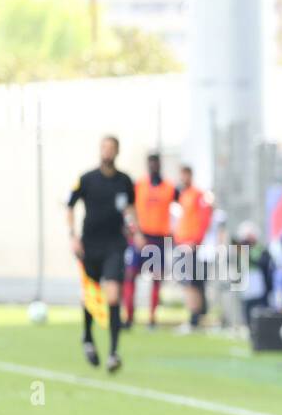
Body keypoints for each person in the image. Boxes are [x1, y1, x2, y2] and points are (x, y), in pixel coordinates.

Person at [66, 135, 142, 373]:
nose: (107, 152)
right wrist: (73, 236)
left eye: (111, 148)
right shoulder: (86, 179)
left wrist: (136, 231)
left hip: (115, 245)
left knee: (112, 295)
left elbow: (129, 209)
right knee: (90, 296)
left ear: (117, 152)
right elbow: (70, 206)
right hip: (90, 245)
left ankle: (113, 352)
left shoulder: (125, 181)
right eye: (104, 148)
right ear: (100, 151)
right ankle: (88, 337)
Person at [132, 152, 177, 328]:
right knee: (130, 274)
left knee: (156, 277)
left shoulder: (170, 188)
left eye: (155, 163)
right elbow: (130, 209)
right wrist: (135, 233)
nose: (153, 166)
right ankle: (129, 316)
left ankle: (152, 318)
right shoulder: (139, 186)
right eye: (150, 163)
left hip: (159, 238)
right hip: (141, 236)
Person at [173, 165, 213, 331]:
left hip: (191, 244)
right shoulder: (183, 195)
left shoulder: (197, 195)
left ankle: (194, 318)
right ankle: (195, 316)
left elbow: (204, 219)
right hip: (182, 243)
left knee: (191, 282)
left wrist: (195, 240)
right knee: (188, 281)